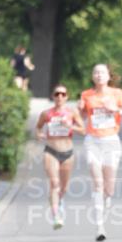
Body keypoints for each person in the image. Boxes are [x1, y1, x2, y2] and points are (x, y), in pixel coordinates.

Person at [79, 64, 122, 242]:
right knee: (97, 184)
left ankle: (108, 199)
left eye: (102, 72)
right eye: (95, 72)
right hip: (92, 141)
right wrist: (78, 113)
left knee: (109, 188)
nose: (99, 75)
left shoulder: (117, 94)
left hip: (111, 141)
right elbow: (79, 116)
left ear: (108, 76)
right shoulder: (86, 95)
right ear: (92, 76)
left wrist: (115, 109)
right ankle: (100, 227)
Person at [35, 85, 85, 229]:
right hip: (51, 151)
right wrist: (38, 134)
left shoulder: (72, 113)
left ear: (67, 97)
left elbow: (83, 131)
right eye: (57, 94)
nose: (60, 97)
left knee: (64, 187)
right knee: (54, 183)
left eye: (63, 94)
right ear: (53, 96)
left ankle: (60, 201)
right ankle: (56, 216)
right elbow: (38, 127)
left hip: (67, 153)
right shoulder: (46, 114)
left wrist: (70, 126)